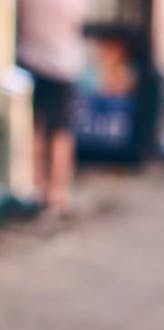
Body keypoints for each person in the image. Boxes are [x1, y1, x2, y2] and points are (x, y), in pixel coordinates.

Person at [17, 0, 89, 217]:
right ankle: (57, 192)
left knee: (35, 128)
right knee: (61, 131)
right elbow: (78, 21)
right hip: (62, 66)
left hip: (29, 60)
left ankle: (36, 186)